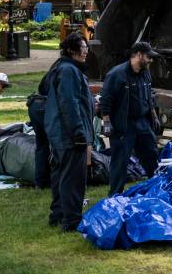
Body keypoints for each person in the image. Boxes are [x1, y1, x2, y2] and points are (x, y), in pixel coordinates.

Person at [44, 32, 94, 232]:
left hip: (62, 134)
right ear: (71, 51)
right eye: (83, 49)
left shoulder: (63, 68)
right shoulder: (68, 71)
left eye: (87, 48)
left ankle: (58, 215)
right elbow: (70, 104)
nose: (86, 52)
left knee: (61, 176)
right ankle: (72, 221)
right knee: (73, 179)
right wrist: (79, 134)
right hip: (69, 136)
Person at [100, 41, 161, 196]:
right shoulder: (117, 74)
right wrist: (106, 123)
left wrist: (153, 115)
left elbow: (149, 95)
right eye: (148, 57)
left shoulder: (145, 72)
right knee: (120, 162)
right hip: (123, 125)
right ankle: (115, 197)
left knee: (151, 156)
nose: (151, 60)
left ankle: (157, 190)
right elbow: (105, 100)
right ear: (138, 55)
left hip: (142, 123)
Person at [26, 57, 63, 189]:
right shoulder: (67, 70)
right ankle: (58, 183)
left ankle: (40, 181)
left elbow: (41, 88)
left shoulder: (52, 71)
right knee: (59, 146)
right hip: (48, 107)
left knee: (42, 145)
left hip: (35, 105)